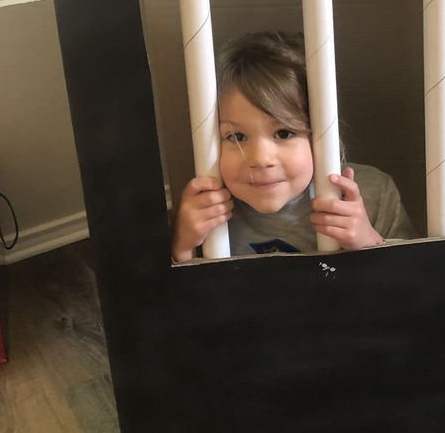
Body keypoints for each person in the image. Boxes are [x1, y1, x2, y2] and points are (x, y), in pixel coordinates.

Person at [172, 31, 413, 261]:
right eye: (237, 136)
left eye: (284, 133)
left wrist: (368, 243)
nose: (260, 159)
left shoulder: (374, 194)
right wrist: (183, 248)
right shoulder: (205, 210)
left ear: (322, 132)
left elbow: (416, 288)